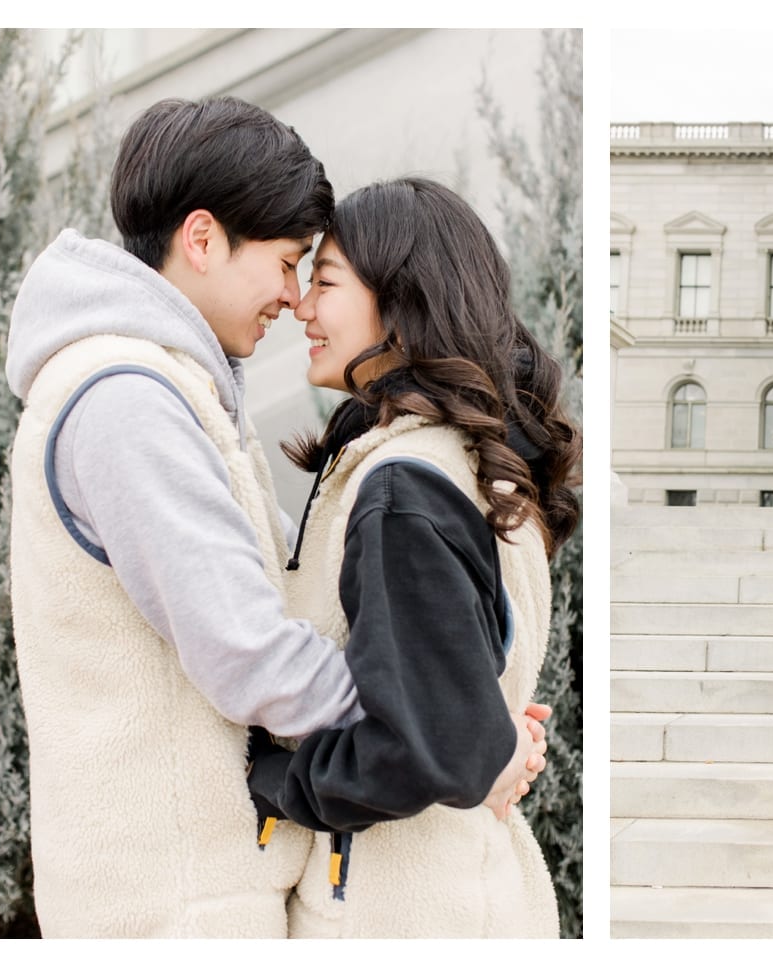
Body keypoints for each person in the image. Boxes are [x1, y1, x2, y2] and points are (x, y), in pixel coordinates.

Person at [5, 98, 545, 938]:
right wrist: (460, 732)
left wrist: (451, 725)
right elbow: (246, 645)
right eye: (290, 262)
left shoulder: (173, 390)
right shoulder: (127, 400)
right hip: (173, 900)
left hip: (206, 891)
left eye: (317, 276)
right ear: (203, 239)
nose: (293, 298)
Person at [244, 177, 580, 938]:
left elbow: (436, 747)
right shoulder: (480, 464)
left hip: (405, 913)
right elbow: (464, 717)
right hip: (467, 892)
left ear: (400, 306)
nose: (302, 306)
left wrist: (273, 776)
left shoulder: (403, 486)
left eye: (325, 282)